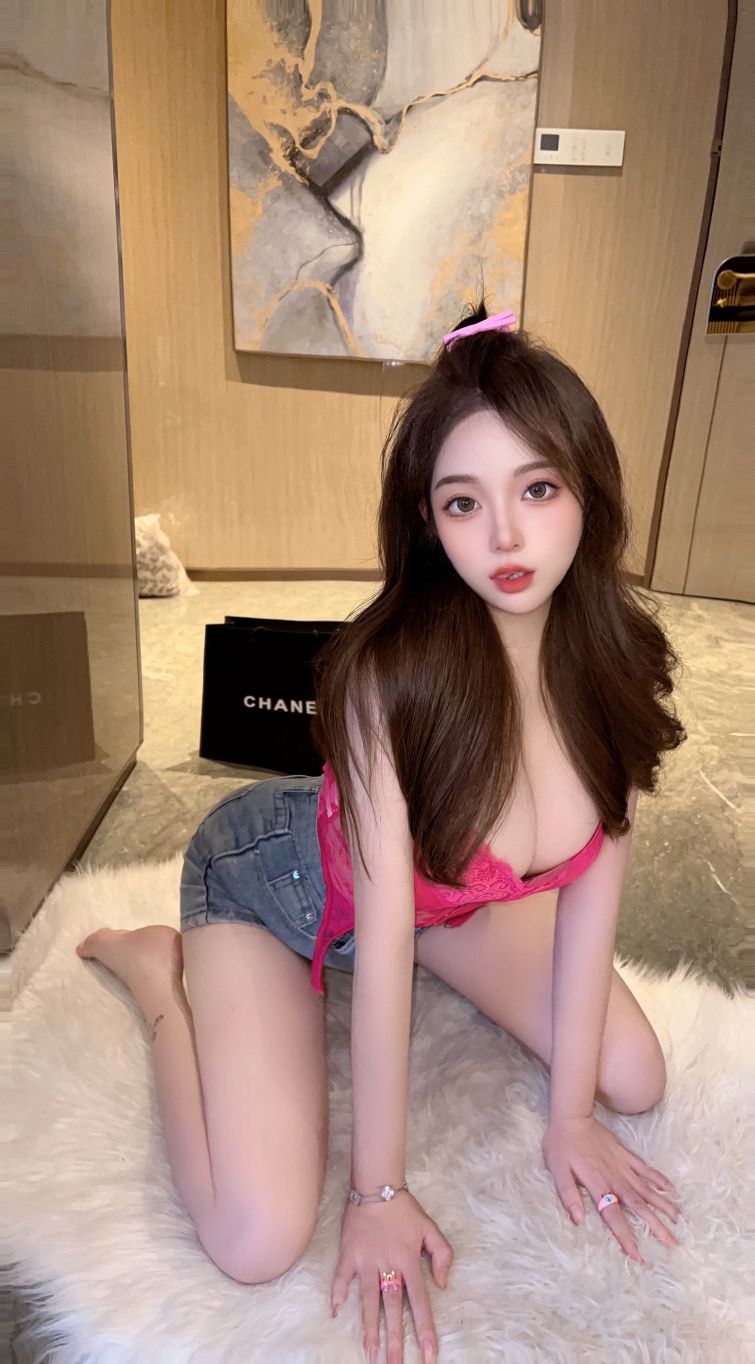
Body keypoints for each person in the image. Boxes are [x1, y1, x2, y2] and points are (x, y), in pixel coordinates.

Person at [76, 299, 686, 1364]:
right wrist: (378, 1190)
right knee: (255, 1239)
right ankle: (159, 979)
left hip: (446, 905)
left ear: (588, 492)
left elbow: (593, 893)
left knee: (631, 1077)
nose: (504, 537)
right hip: (275, 886)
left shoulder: (612, 667)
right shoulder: (385, 680)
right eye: (463, 502)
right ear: (427, 520)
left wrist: (568, 1121)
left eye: (537, 488)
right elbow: (386, 934)